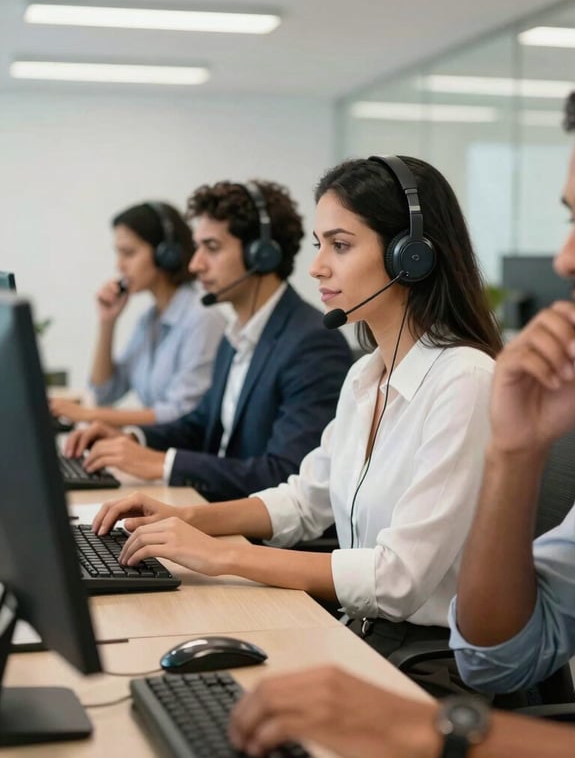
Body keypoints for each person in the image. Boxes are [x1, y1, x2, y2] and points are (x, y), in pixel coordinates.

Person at [226, 50, 575, 757]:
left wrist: (419, 729)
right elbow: (501, 656)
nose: (569, 256)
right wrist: (514, 454)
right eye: (573, 217)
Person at [91, 155, 502, 654]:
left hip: (428, 660)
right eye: (318, 245)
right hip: (363, 633)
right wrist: (184, 520)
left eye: (341, 245)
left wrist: (223, 557)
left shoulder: (465, 381)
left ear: (409, 255)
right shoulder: (366, 374)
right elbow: (305, 499)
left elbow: (397, 579)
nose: (316, 266)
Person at [64, 179, 351, 502]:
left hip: (259, 537)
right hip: (219, 508)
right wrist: (132, 437)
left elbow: (286, 474)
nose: (194, 263)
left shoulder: (310, 344)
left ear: (262, 254)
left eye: (211, 248)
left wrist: (162, 464)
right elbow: (200, 425)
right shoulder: (235, 337)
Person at [49, 201, 226, 427]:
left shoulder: (202, 319)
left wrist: (91, 415)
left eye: (129, 253)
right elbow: (105, 392)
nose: (119, 265)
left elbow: (181, 412)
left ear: (165, 254)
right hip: (150, 448)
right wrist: (107, 322)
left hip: (180, 456)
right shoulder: (149, 320)